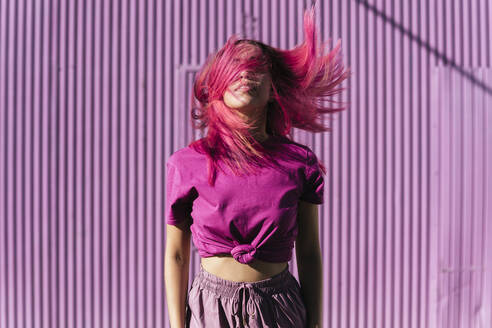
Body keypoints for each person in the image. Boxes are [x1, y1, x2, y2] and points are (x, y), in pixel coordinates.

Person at [164, 4, 351, 328]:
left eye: (256, 69)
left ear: (272, 88)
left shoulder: (299, 163)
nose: (246, 75)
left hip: (279, 307)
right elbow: (176, 254)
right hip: (210, 309)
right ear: (217, 83)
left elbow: (308, 251)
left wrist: (316, 323)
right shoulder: (186, 162)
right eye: (235, 69)